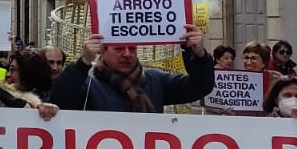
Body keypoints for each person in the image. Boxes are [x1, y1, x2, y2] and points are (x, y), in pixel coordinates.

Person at [51, 26, 214, 112]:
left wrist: (198, 55)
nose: (127, 54)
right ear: (102, 51)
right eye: (119, 49)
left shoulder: (156, 80)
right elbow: (59, 100)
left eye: (132, 49)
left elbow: (199, 87)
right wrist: (83, 62)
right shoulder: (88, 85)